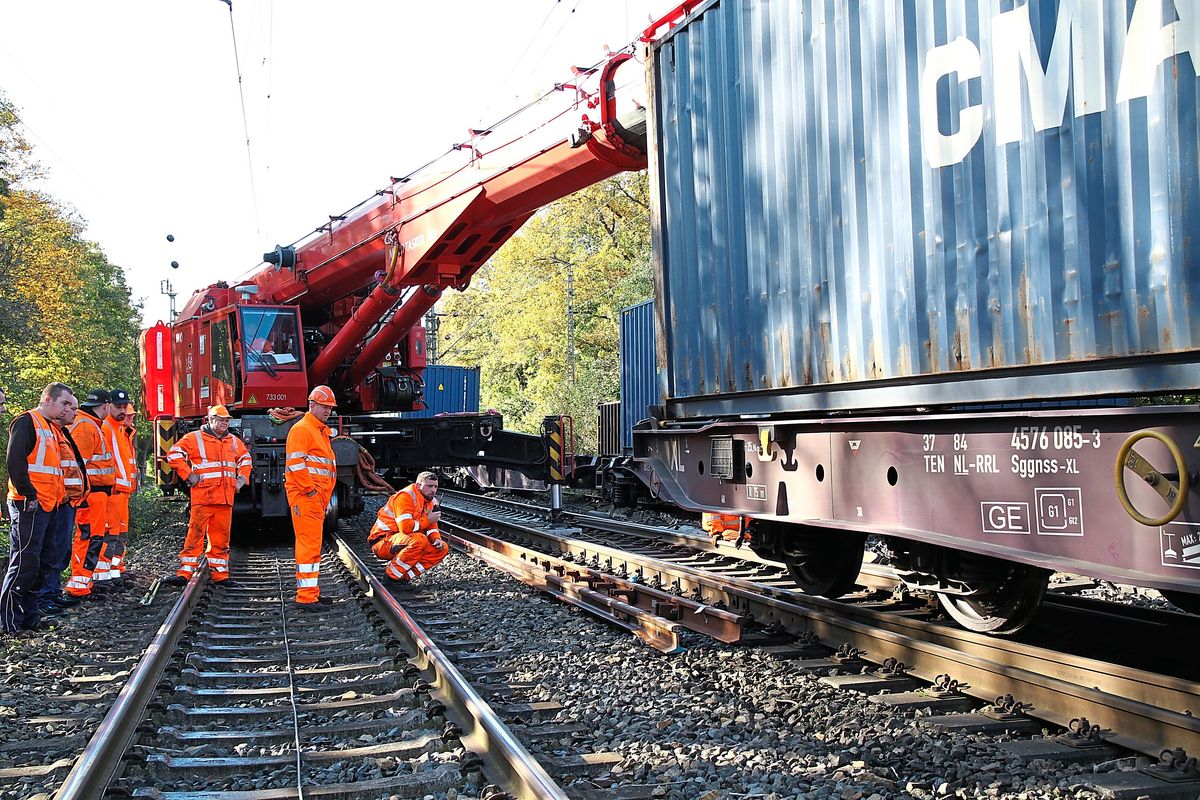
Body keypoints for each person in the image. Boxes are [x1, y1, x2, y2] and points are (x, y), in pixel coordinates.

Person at [2, 382, 75, 634]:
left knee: (43, 563)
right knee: (24, 562)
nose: (67, 408)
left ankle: (29, 617)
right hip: (29, 505)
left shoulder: (52, 429)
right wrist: (28, 494)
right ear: (47, 399)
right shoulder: (26, 422)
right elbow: (15, 460)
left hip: (48, 505)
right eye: (64, 403)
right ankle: (9, 621)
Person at [163, 405, 250, 587]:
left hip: (225, 499)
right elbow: (173, 454)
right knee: (194, 536)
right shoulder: (194, 438)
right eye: (221, 420)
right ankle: (185, 573)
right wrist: (189, 475)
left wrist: (242, 479)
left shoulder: (233, 441)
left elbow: (245, 459)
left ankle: (220, 575)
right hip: (204, 498)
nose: (225, 423)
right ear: (210, 419)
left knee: (221, 540)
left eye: (227, 420)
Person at [285, 385, 338, 610]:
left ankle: (311, 592)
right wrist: (312, 492)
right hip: (307, 497)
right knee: (308, 545)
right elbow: (296, 464)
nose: (327, 411)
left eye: (330, 408)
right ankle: (306, 596)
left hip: (315, 498)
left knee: (313, 545)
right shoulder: (303, 430)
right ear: (312, 405)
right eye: (324, 407)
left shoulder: (317, 431)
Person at [36, 393, 88, 616]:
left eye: (74, 407)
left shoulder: (61, 433)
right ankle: (44, 596)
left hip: (65, 500)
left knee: (61, 549)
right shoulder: (49, 432)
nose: (74, 411)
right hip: (56, 501)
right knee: (53, 550)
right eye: (68, 406)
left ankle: (52, 593)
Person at [64, 389, 116, 600]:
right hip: (90, 494)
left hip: (94, 494)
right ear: (105, 406)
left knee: (92, 537)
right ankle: (78, 585)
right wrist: (79, 495)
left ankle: (84, 582)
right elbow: (78, 466)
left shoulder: (90, 424)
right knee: (89, 537)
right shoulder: (86, 426)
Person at [368, 471, 447, 587]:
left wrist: (436, 539)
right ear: (418, 485)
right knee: (419, 540)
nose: (433, 490)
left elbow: (432, 526)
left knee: (442, 548)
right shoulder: (405, 497)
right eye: (429, 486)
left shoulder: (431, 501)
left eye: (435, 486)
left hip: (400, 539)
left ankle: (403, 578)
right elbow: (405, 528)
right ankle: (391, 578)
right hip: (382, 542)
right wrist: (428, 520)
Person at [98, 389, 137, 590]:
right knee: (109, 533)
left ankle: (113, 571)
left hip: (122, 491)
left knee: (119, 534)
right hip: (113, 490)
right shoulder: (106, 428)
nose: (123, 412)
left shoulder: (121, 430)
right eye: (119, 407)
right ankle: (101, 575)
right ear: (108, 406)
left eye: (125, 408)